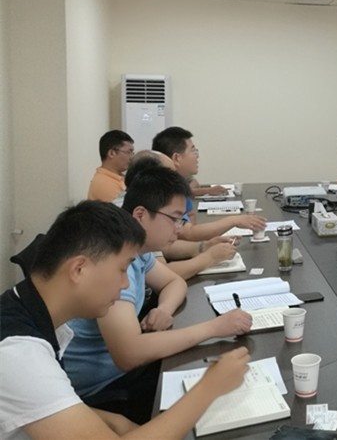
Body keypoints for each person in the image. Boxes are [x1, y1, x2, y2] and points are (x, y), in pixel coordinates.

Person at [0, 200, 250, 439]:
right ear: (79, 269)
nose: (126, 283)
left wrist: (115, 422)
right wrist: (210, 387)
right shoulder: (19, 353)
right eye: (122, 270)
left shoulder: (30, 307)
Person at [63, 168, 252, 423]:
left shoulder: (137, 248)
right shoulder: (114, 260)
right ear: (140, 215)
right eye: (174, 219)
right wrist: (214, 328)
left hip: (122, 372)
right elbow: (128, 353)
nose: (179, 229)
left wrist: (164, 309)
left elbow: (174, 281)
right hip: (102, 392)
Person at [124, 154, 237, 280]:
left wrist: (204, 246)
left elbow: (169, 251)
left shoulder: (146, 238)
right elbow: (189, 233)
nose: (177, 177)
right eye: (170, 174)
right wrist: (209, 257)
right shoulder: (125, 243)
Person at [152, 126, 266, 237]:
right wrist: (233, 221)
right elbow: (187, 233)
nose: (197, 156)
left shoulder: (179, 185)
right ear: (177, 158)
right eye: (193, 150)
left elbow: (190, 219)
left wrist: (198, 240)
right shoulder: (164, 193)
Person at [88, 130, 135, 202]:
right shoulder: (103, 184)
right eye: (129, 152)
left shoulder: (119, 177)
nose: (132, 157)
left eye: (132, 152)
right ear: (111, 153)